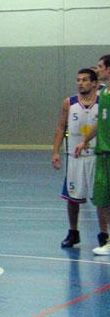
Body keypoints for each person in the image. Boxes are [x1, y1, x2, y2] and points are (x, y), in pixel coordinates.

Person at [52, 68, 103, 248]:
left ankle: (104, 235)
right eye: (78, 80)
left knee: (101, 199)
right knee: (72, 198)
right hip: (75, 156)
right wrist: (56, 151)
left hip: (96, 156)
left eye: (85, 80)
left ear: (94, 83)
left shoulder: (103, 102)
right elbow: (61, 127)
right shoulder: (70, 103)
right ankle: (73, 232)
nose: (80, 83)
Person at [75, 57, 110, 255]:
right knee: (102, 199)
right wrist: (84, 140)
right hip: (102, 154)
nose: (98, 70)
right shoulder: (103, 93)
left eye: (101, 67)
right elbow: (100, 122)